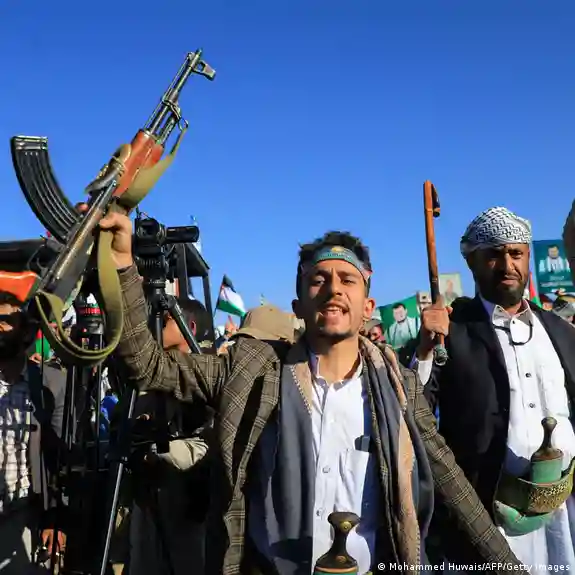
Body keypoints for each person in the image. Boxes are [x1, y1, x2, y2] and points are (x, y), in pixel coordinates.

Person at [99, 211, 520, 574]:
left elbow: (454, 486)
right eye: (319, 280)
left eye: (347, 280)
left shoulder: (400, 387)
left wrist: (508, 566)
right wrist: (120, 263)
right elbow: (146, 365)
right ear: (298, 306)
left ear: (367, 307)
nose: (334, 289)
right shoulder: (254, 369)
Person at [417, 206, 575, 568]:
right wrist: (425, 350)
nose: (507, 266)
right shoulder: (451, 332)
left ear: (528, 257)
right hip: (487, 520)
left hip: (561, 516)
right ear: (471, 263)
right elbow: (416, 411)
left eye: (516, 253)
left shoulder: (559, 330)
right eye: (493, 255)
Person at [129, 296, 213, 575]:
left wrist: (162, 447)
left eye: (163, 320)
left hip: (190, 500)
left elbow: (210, 442)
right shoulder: (151, 375)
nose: (155, 326)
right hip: (150, 495)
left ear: (189, 326)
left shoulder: (209, 372)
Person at [0, 285, 67, 573]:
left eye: (5, 321)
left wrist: (55, 518)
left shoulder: (50, 384)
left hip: (21, 516)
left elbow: (60, 459)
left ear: (26, 331)